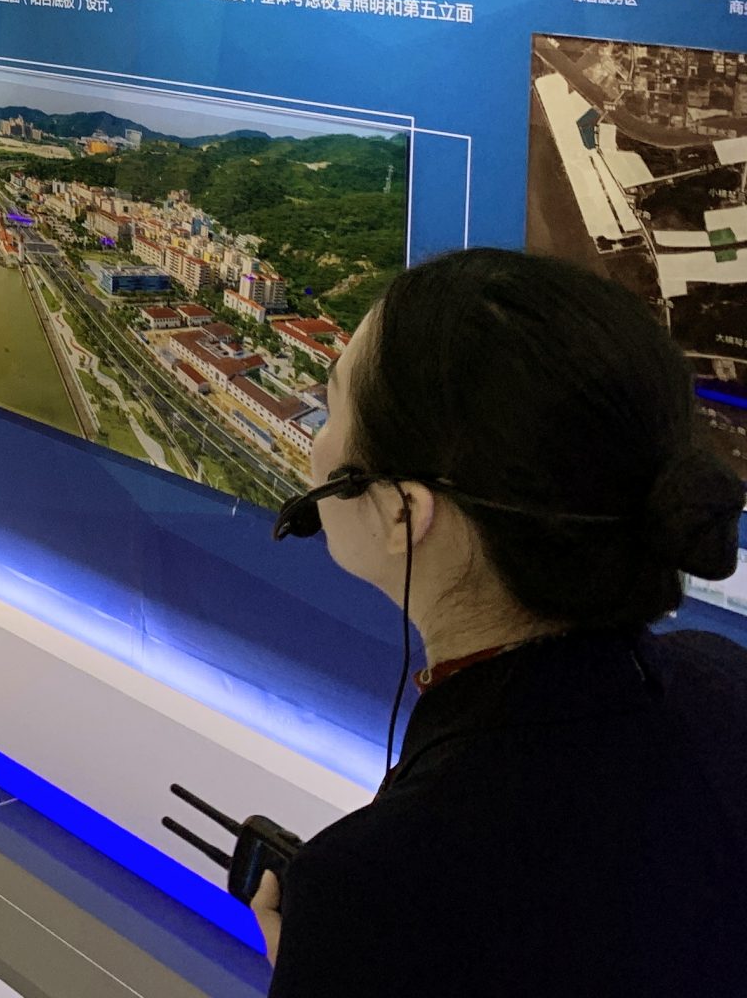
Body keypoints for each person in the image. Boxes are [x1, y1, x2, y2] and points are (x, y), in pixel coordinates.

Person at [259, 248, 747, 995]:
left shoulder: (371, 893)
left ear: (402, 512)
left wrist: (321, 964)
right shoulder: (722, 677)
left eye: (331, 408)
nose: (317, 447)